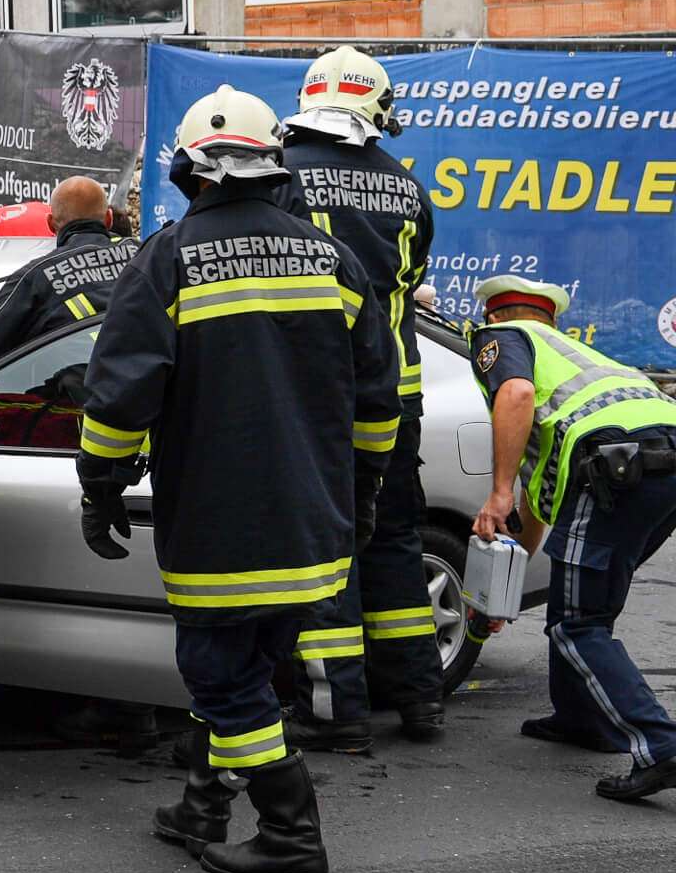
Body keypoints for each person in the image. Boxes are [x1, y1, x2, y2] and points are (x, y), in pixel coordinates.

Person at [77, 86, 396, 873]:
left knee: (223, 679)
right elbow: (377, 397)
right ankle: (201, 808)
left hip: (220, 526)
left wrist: (101, 485)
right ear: (271, 164)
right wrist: (359, 495)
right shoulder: (333, 258)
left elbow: (119, 396)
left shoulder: (168, 257)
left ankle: (291, 834)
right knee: (254, 671)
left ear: (192, 169)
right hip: (313, 525)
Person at [278, 47, 442, 749]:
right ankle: (420, 700)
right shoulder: (407, 188)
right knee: (394, 541)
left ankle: (334, 711)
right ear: (377, 108)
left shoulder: (284, 179)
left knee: (326, 554)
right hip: (397, 397)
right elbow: (410, 284)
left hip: (319, 398)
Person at [468, 275, 676, 800]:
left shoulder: (503, 337)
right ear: (553, 320)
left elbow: (514, 393)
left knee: (579, 625)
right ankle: (581, 719)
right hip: (659, 462)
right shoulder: (584, 357)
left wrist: (496, 493)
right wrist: (506, 582)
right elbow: (539, 501)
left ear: (495, 316)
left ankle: (661, 746)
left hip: (613, 467)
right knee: (576, 599)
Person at [0, 175, 136, 360]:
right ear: (108, 219)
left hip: (80, 383)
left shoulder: (36, 277)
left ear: (50, 224)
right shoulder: (143, 253)